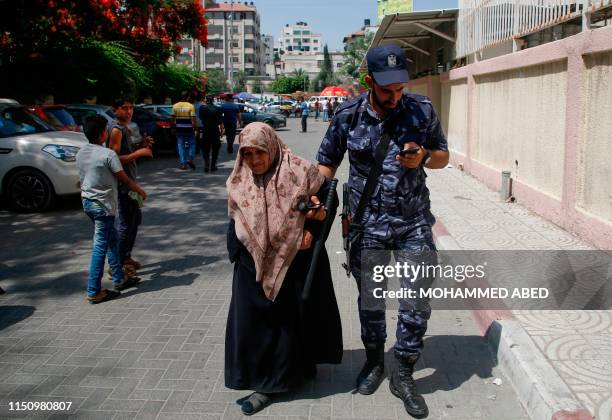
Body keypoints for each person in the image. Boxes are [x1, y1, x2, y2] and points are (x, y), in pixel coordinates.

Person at [315, 44, 449, 418]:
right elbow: (326, 163)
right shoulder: (347, 115)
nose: (395, 96)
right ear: (368, 81)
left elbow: (443, 155)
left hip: (413, 222)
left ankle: (403, 371)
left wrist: (423, 156)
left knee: (417, 299)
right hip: (367, 226)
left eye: (400, 88)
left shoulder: (420, 110)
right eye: (387, 89)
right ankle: (375, 360)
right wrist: (311, 196)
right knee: (370, 301)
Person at [225, 122, 342, 416]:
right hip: (252, 260)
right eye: (247, 154)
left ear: (272, 147)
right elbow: (234, 215)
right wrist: (236, 256)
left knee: (291, 318)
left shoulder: (299, 170)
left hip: (295, 260)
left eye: (259, 153)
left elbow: (329, 200)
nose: (254, 161)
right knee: (258, 321)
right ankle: (271, 378)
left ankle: (280, 379)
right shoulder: (240, 178)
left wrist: (313, 229)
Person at [77, 115, 147, 304]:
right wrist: (140, 191)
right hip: (102, 206)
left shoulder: (81, 152)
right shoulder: (108, 155)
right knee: (100, 246)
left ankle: (119, 278)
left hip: (88, 203)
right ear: (103, 134)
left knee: (112, 240)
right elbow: (124, 178)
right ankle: (94, 291)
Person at [108, 97, 153, 280]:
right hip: (124, 183)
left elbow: (126, 151)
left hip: (130, 181)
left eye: (131, 108)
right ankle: (117, 265)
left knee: (134, 220)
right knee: (126, 224)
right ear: (115, 109)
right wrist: (139, 153)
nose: (128, 112)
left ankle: (125, 257)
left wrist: (141, 145)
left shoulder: (125, 128)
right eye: (124, 108)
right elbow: (114, 159)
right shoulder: (116, 130)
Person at [172, 91, 197, 170]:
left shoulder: (175, 106)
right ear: (187, 97)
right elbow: (193, 120)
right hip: (189, 129)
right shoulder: (191, 106)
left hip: (179, 129)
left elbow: (172, 119)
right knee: (192, 144)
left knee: (180, 146)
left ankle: (183, 164)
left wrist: (173, 128)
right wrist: (195, 129)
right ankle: (190, 159)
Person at [199, 95, 224, 172]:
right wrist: (222, 131)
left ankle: (207, 164)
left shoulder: (202, 108)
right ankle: (213, 165)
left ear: (206, 100)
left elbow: (201, 117)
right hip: (215, 130)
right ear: (213, 100)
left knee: (205, 149)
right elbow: (220, 122)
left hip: (206, 130)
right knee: (215, 149)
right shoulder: (218, 109)